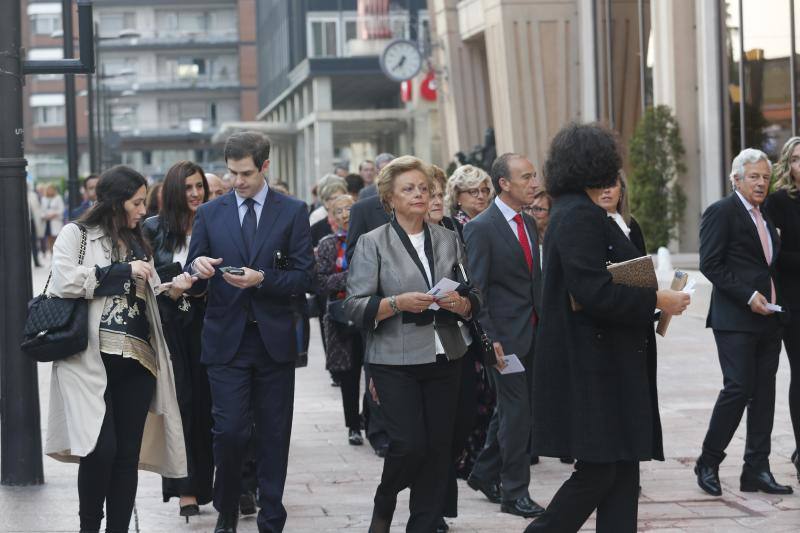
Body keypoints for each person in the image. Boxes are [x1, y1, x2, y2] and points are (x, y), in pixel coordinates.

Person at [525, 123, 689, 533]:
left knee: (622, 472)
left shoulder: (584, 212)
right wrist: (656, 299)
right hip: (593, 366)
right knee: (599, 472)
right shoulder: (577, 215)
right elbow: (593, 290)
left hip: (611, 362)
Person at [45, 165, 187, 533]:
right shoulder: (76, 234)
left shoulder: (140, 242)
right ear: (115, 201)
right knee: (99, 448)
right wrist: (123, 272)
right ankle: (89, 527)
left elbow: (148, 299)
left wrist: (174, 290)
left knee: (126, 456)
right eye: (137, 202)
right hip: (87, 359)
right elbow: (62, 280)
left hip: (138, 362)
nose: (143, 210)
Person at [344, 155, 481, 533]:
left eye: (424, 188)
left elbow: (473, 290)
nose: (420, 194)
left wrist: (464, 303)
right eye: (410, 189)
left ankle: (422, 524)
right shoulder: (373, 243)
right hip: (394, 358)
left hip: (447, 351)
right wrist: (395, 303)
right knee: (409, 445)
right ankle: (386, 497)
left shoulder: (449, 237)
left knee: (439, 450)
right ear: (389, 198)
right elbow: (353, 306)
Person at [186, 131, 314, 533]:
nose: (237, 181)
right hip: (225, 339)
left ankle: (272, 514)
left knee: (274, 433)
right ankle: (226, 506)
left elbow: (305, 275)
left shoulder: (293, 211)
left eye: (245, 173)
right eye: (231, 173)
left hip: (273, 339)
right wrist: (199, 268)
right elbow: (193, 270)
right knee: (230, 431)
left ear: (264, 167)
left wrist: (262, 279)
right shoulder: (210, 213)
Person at [694, 148, 793, 498]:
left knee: (764, 396)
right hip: (735, 318)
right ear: (736, 179)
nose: (761, 183)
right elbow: (710, 263)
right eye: (754, 176)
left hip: (769, 319)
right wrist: (749, 296)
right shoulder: (722, 212)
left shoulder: (765, 216)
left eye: (765, 177)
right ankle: (708, 461)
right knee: (737, 389)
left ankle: (756, 469)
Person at [465, 153, 544, 519]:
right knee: (517, 414)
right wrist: (489, 338)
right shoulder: (481, 228)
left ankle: (483, 472)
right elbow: (476, 289)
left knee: (511, 411)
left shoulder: (528, 223)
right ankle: (515, 492)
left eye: (534, 176)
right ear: (504, 184)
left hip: (531, 333)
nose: (534, 183)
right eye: (526, 177)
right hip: (503, 340)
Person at [142, 161, 215, 521]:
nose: (195, 194)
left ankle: (233, 485)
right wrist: (170, 290)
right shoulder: (153, 230)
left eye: (199, 186)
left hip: (212, 325)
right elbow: (142, 288)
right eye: (187, 187)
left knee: (218, 407)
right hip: (172, 328)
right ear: (173, 191)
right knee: (183, 406)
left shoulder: (215, 222)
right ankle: (187, 489)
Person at [426, 166, 482, 532]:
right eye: (421, 193)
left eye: (433, 193)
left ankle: (439, 504)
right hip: (412, 346)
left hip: (454, 340)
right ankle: (430, 510)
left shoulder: (453, 232)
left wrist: (462, 300)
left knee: (456, 425)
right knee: (427, 435)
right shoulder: (387, 238)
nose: (429, 200)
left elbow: (470, 281)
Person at [764, 136, 800, 482]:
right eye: (798, 159)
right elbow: (773, 255)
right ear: (788, 164)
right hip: (794, 302)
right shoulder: (776, 202)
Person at [315, 194, 364, 445]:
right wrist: (352, 275)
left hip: (370, 314)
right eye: (339, 210)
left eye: (350, 208)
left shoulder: (368, 239)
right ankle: (353, 425)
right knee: (349, 374)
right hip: (341, 318)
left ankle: (372, 421)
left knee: (376, 372)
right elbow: (322, 283)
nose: (346, 214)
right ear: (332, 217)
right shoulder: (326, 245)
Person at [310, 176, 348, 248]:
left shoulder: (353, 224)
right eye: (335, 198)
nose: (340, 201)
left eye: (343, 197)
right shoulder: (315, 230)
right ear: (326, 203)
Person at [41, 183, 65, 255]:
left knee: (56, 239)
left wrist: (54, 214)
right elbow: (42, 210)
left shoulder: (58, 198)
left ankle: (57, 254)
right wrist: (44, 216)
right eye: (48, 189)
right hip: (47, 222)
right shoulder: (44, 199)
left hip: (56, 221)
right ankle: (51, 254)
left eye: (51, 189)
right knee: (49, 239)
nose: (50, 191)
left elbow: (62, 209)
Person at [29, 182, 44, 267]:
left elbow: (38, 208)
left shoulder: (33, 195)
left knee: (34, 243)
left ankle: (36, 262)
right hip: (23, 223)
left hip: (33, 222)